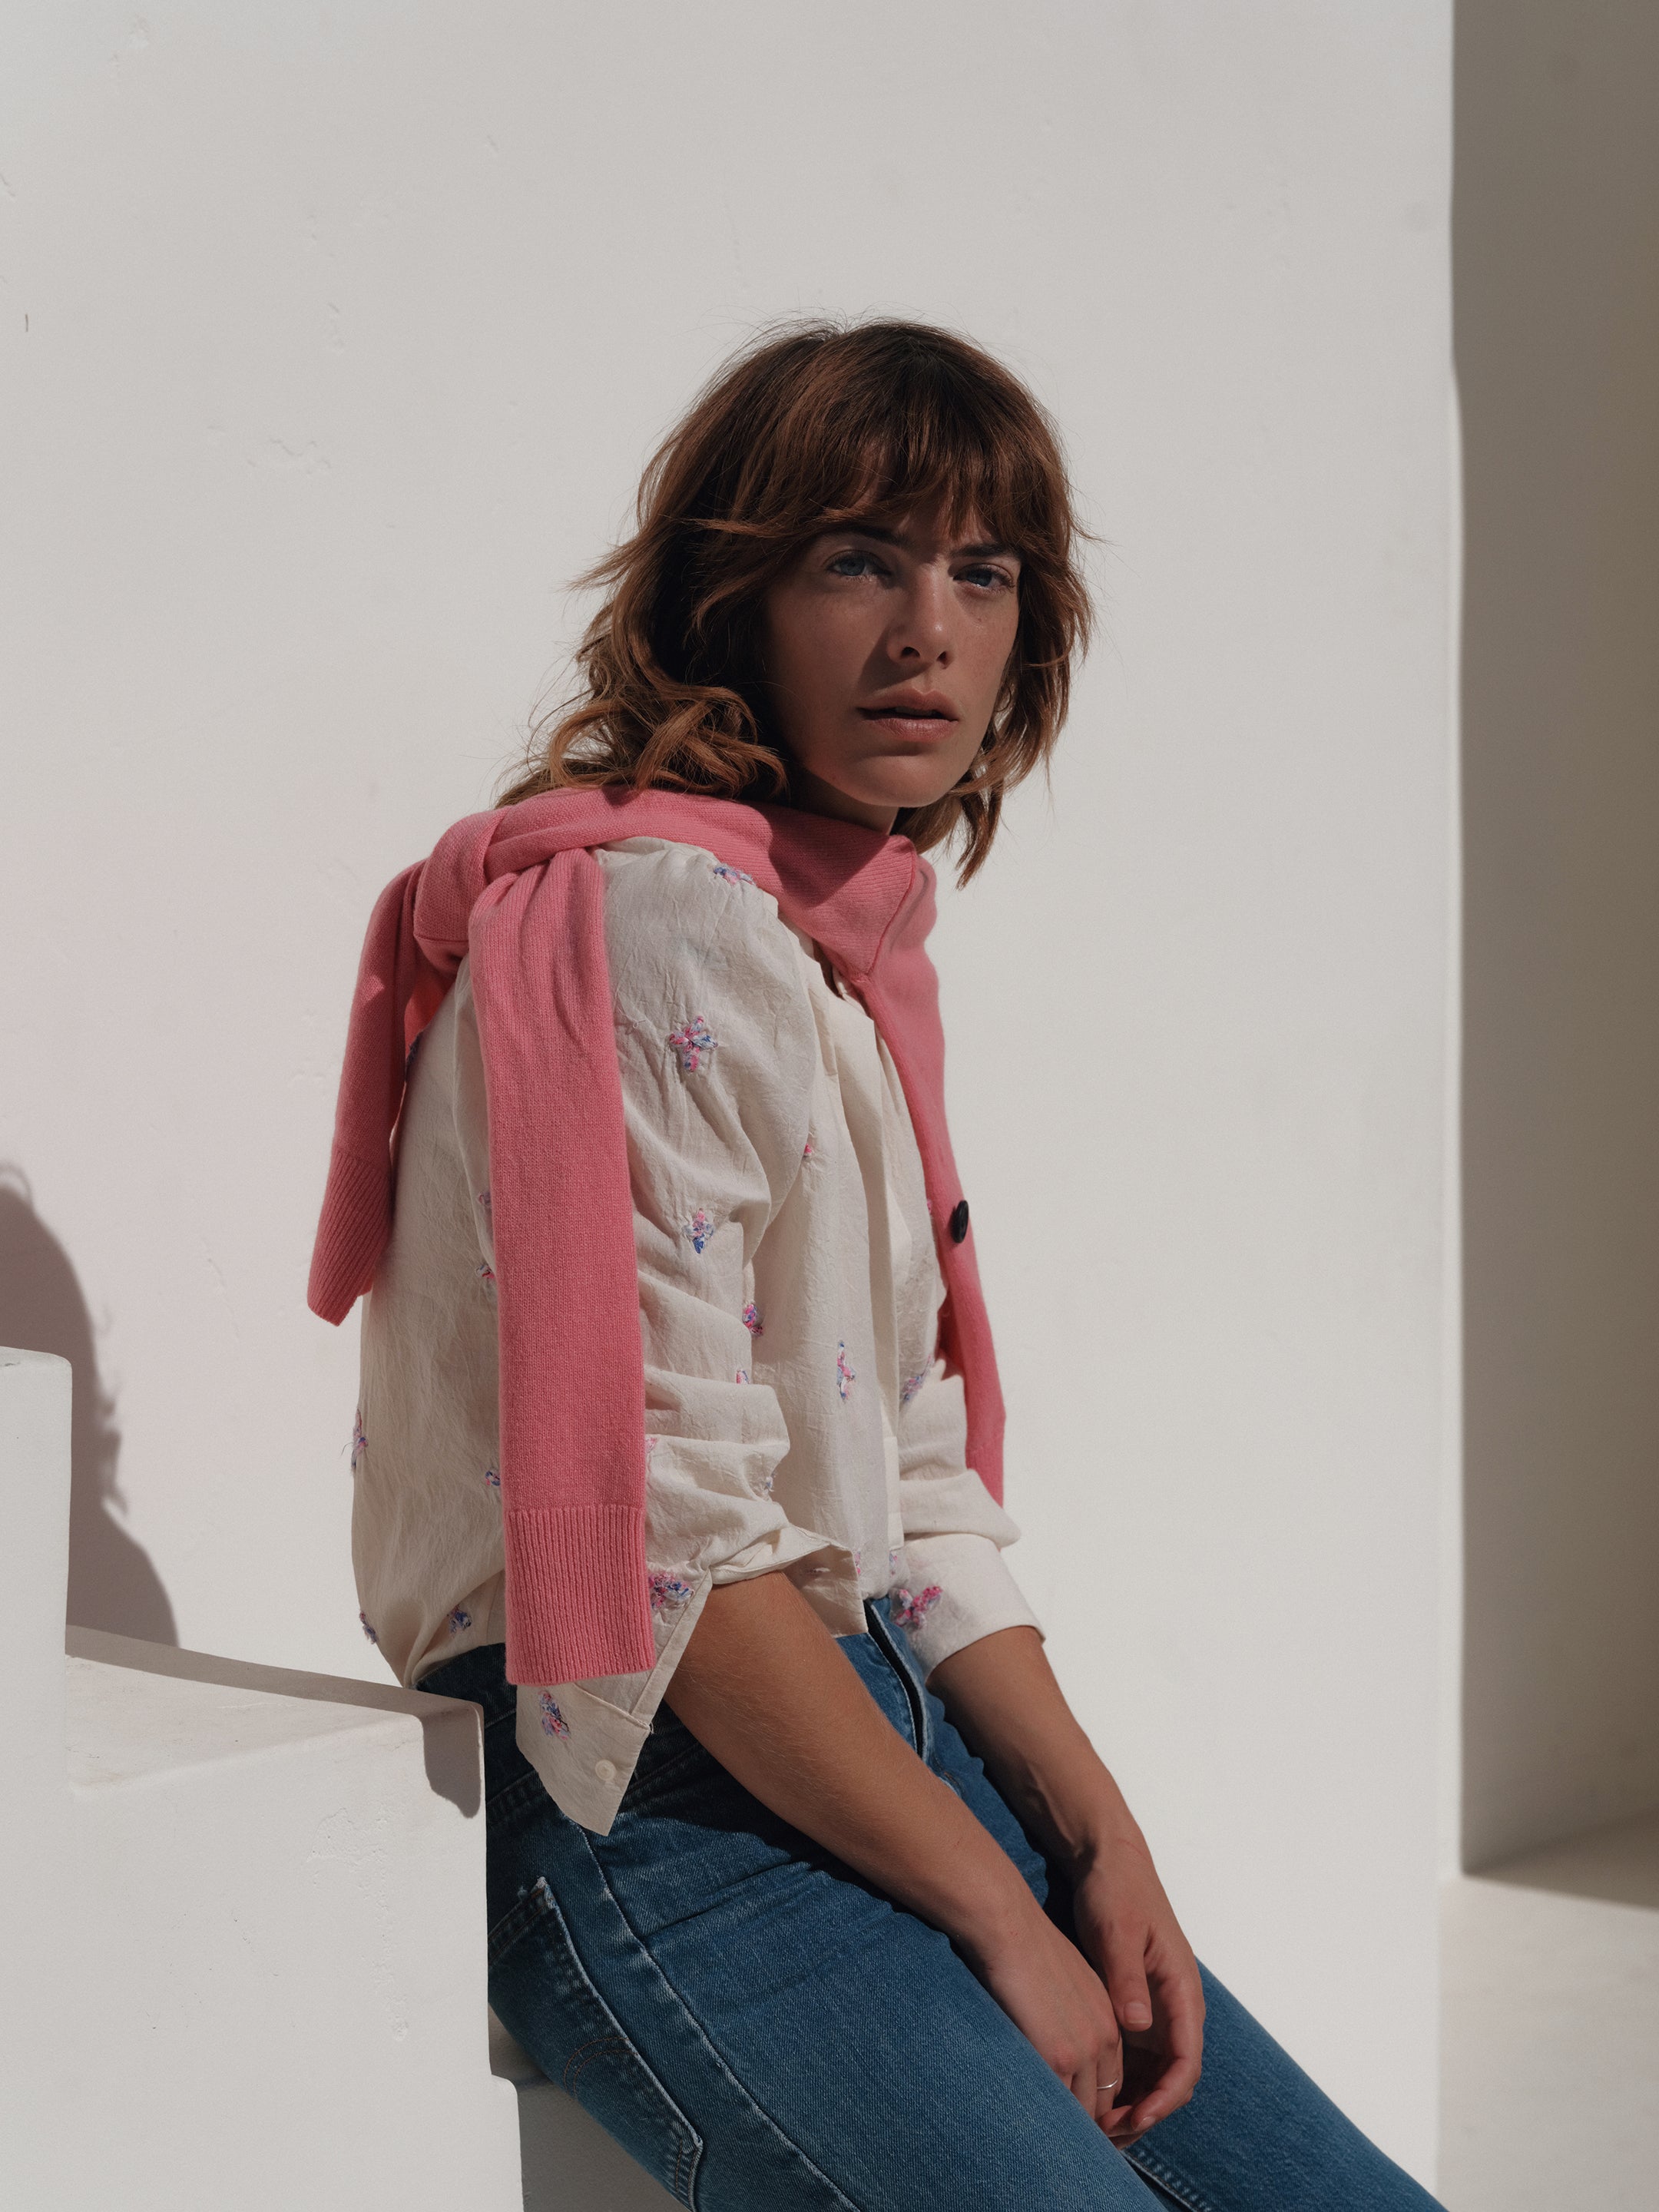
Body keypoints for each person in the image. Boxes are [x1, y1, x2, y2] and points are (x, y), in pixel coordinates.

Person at [311, 320, 1443, 2210]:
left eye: (981, 574)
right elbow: (671, 1543)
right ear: (730, 601)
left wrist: (1102, 1843)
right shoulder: (650, 927)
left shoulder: (826, 947)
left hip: (879, 1751)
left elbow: (906, 1474)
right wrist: (998, 1905)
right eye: (859, 561)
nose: (928, 631)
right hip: (658, 1809)